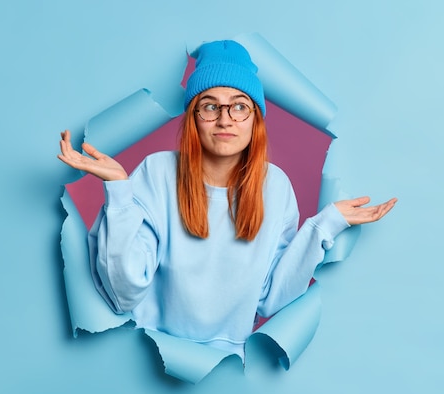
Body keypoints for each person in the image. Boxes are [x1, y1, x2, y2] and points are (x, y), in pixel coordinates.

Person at [58, 40, 397, 359]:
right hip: (149, 353)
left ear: (255, 119)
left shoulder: (274, 186)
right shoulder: (157, 173)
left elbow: (270, 299)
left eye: (239, 106)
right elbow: (122, 295)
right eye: (210, 106)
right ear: (193, 118)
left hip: (227, 367)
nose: (225, 119)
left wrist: (325, 225)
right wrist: (119, 192)